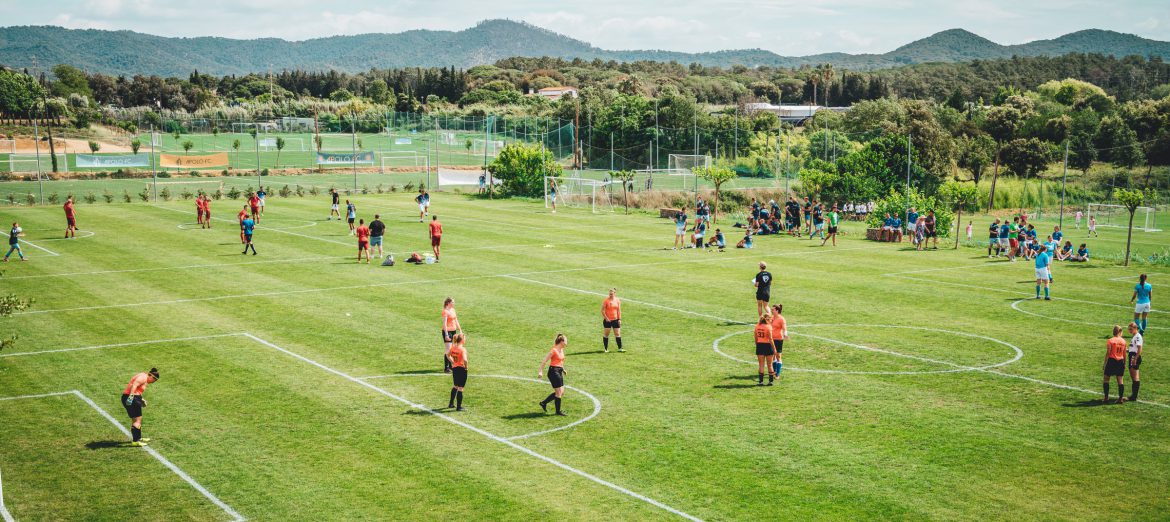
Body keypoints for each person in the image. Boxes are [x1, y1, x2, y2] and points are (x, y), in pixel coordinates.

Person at [122, 368, 160, 446]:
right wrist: (131, 397)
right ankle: (136, 441)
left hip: (133, 397)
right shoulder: (143, 377)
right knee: (137, 420)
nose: (153, 382)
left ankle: (138, 438)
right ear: (151, 376)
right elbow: (134, 385)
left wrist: (141, 399)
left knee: (136, 419)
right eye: (154, 380)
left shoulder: (143, 376)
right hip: (131, 398)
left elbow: (137, 390)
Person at [538, 334, 569, 416]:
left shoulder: (561, 349)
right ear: (562, 342)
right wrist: (540, 371)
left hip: (559, 371)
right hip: (553, 372)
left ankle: (543, 403)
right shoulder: (554, 350)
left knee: (561, 392)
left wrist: (563, 369)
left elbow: (560, 361)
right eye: (566, 341)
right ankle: (558, 411)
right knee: (558, 392)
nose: (567, 343)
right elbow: (544, 361)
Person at [1103, 325, 1128, 404]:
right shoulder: (1123, 341)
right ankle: (1120, 399)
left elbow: (1108, 353)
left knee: (1106, 378)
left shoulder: (1110, 340)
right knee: (1120, 380)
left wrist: (1104, 363)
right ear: (1120, 332)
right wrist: (1124, 363)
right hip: (1120, 361)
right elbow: (1124, 354)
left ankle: (1106, 397)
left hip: (1111, 361)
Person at [446, 333, 468, 411]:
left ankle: (451, 403)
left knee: (455, 385)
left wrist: (453, 362)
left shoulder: (453, 348)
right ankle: (459, 407)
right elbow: (465, 360)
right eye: (464, 338)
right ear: (462, 340)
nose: (465, 340)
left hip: (455, 368)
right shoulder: (463, 349)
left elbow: (447, 355)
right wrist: (466, 367)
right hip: (462, 369)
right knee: (461, 388)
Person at [753, 315, 777, 386]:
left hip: (760, 345)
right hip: (768, 346)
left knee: (761, 365)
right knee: (770, 365)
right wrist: (774, 349)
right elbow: (771, 339)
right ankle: (771, 381)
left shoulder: (757, 326)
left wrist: (757, 345)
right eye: (770, 319)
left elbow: (755, 337)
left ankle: (760, 382)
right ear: (767, 319)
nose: (771, 320)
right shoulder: (768, 327)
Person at [441, 297, 462, 372]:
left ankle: (450, 366)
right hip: (447, 332)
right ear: (448, 303)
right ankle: (446, 368)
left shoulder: (453, 310)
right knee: (448, 349)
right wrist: (446, 335)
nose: (454, 303)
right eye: (452, 302)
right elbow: (444, 324)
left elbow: (456, 320)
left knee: (452, 349)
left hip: (453, 332)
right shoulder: (445, 311)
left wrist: (460, 330)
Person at [769, 304, 789, 377]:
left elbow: (784, 328)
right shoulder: (772, 317)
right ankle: (774, 371)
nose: (771, 310)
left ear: (777, 310)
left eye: (773, 309)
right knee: (772, 355)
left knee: (778, 356)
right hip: (771, 339)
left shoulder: (781, 319)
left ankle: (778, 374)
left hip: (778, 339)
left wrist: (785, 334)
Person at [601, 288, 623, 353]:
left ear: (614, 293)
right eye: (609, 294)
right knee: (606, 334)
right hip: (608, 321)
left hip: (615, 320)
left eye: (612, 294)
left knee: (617, 334)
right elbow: (602, 310)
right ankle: (606, 349)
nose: (610, 295)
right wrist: (606, 318)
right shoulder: (606, 301)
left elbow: (619, 310)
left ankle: (620, 348)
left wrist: (619, 319)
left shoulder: (617, 300)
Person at [1127, 322, 1144, 402]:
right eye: (1129, 329)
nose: (1129, 330)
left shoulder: (1137, 337)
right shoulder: (1135, 336)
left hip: (1134, 357)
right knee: (1133, 377)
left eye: (1131, 329)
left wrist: (1135, 358)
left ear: (1135, 328)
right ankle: (1133, 395)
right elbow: (1133, 348)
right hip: (1132, 356)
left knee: (1135, 377)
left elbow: (1139, 349)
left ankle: (1134, 396)